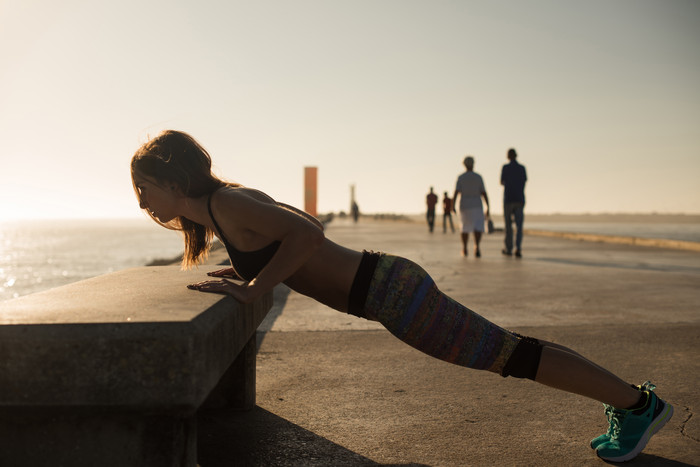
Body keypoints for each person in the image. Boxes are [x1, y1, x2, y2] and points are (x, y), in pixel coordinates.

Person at [131, 130, 672, 463]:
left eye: (143, 188)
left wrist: (255, 285)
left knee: (513, 356)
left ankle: (638, 404)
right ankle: (633, 401)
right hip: (387, 285)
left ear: (172, 178)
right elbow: (302, 227)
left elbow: (310, 236)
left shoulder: (229, 204)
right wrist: (248, 269)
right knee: (513, 352)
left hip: (388, 292)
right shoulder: (230, 206)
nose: (142, 203)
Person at [452, 156, 489, 257]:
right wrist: (488, 206)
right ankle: (477, 245)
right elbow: (484, 193)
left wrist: (453, 205)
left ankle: (464, 248)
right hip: (477, 204)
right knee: (478, 227)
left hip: (464, 204)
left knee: (464, 227)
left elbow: (456, 192)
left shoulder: (461, 177)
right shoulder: (478, 177)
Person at [501, 148, 527, 257]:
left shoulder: (505, 168)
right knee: (519, 226)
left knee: (508, 226)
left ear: (508, 156)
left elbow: (502, 182)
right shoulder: (522, 168)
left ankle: (509, 248)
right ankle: (518, 248)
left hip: (508, 199)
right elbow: (524, 181)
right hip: (519, 199)